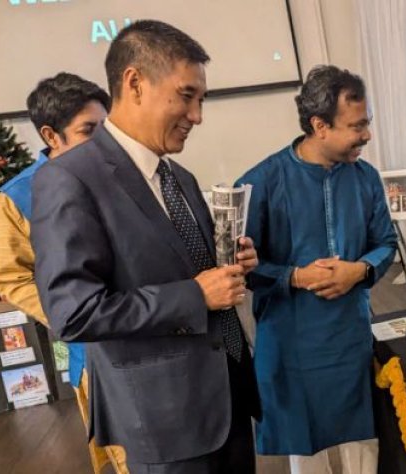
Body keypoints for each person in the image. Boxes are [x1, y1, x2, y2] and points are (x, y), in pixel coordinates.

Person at [31, 20, 260, 473]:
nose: (197, 115)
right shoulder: (69, 179)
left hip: (228, 396)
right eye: (186, 96)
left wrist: (230, 265)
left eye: (201, 100)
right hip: (164, 417)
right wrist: (195, 295)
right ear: (135, 83)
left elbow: (183, 265)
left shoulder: (179, 177)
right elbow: (74, 313)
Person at [236, 65, 397, 474]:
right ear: (319, 126)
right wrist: (296, 277)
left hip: (349, 339)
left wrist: (358, 271)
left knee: (363, 444)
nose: (367, 135)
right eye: (357, 126)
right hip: (292, 345)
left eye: (367, 123)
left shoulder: (366, 178)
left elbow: (386, 243)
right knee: (307, 453)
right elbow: (242, 270)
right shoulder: (260, 183)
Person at [0, 73, 127, 474]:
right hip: (97, 349)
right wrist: (76, 312)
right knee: (130, 455)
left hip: (151, 329)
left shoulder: (119, 173)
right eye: (88, 131)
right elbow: (12, 278)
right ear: (51, 135)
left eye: (106, 128)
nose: (102, 141)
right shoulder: (16, 198)